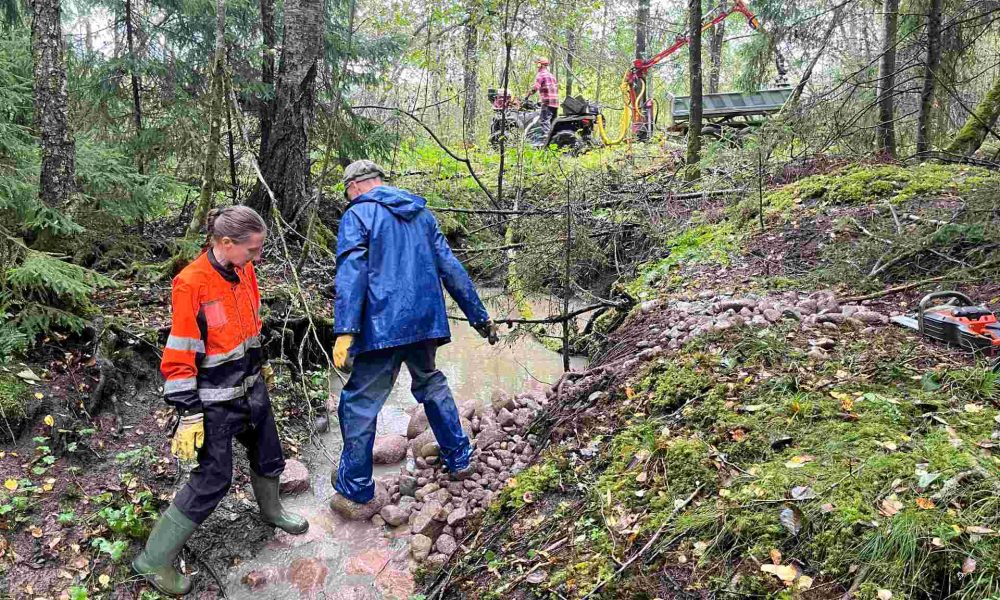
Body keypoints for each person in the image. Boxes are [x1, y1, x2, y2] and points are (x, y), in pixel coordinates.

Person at [133, 206, 308, 596]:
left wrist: (259, 368)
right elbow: (180, 356)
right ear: (226, 244)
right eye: (253, 250)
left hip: (252, 390)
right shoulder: (190, 284)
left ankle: (272, 510)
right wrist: (190, 414)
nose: (258, 257)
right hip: (214, 403)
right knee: (213, 479)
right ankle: (154, 559)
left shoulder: (244, 270)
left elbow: (249, 327)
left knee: (269, 454)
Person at [329, 160, 499, 519]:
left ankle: (356, 485)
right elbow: (451, 266)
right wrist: (479, 316)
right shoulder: (421, 215)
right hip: (425, 323)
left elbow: (351, 274)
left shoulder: (357, 216)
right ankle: (459, 457)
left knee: (359, 402)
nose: (349, 197)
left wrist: (345, 330)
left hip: (380, 328)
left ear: (356, 186)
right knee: (431, 384)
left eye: (347, 192)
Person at [526, 57, 560, 140]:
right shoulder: (552, 76)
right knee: (552, 122)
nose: (537, 66)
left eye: (538, 64)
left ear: (540, 64)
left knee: (544, 121)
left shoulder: (541, 74)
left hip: (547, 102)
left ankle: (547, 140)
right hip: (555, 103)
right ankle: (555, 139)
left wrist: (527, 95)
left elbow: (536, 87)